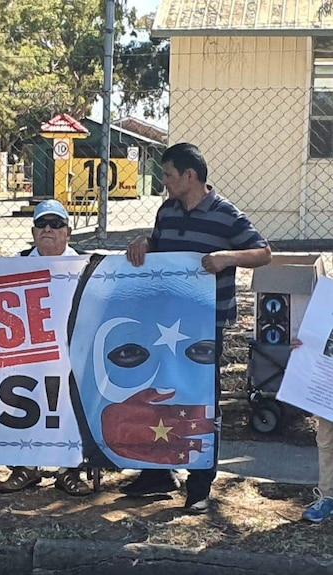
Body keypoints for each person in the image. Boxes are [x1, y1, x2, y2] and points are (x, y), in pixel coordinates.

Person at [124, 142, 272, 514]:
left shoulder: (226, 215)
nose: (165, 182)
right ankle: (159, 473)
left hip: (206, 325)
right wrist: (143, 243)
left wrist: (228, 257)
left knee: (201, 400)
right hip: (164, 322)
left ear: (189, 176)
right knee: (159, 392)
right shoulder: (167, 211)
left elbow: (263, 252)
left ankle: (200, 481)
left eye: (169, 175)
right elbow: (157, 248)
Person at [0, 199, 92, 497]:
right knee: (15, 395)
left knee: (73, 398)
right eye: (42, 224)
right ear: (33, 230)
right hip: (26, 354)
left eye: (56, 224)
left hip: (71, 353)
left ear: (68, 231)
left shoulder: (87, 265)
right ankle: (26, 467)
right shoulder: (17, 261)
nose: (48, 230)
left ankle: (70, 470)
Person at [290, 338, 333, 522]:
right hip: (328, 381)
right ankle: (327, 497)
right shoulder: (324, 309)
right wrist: (304, 346)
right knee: (326, 440)